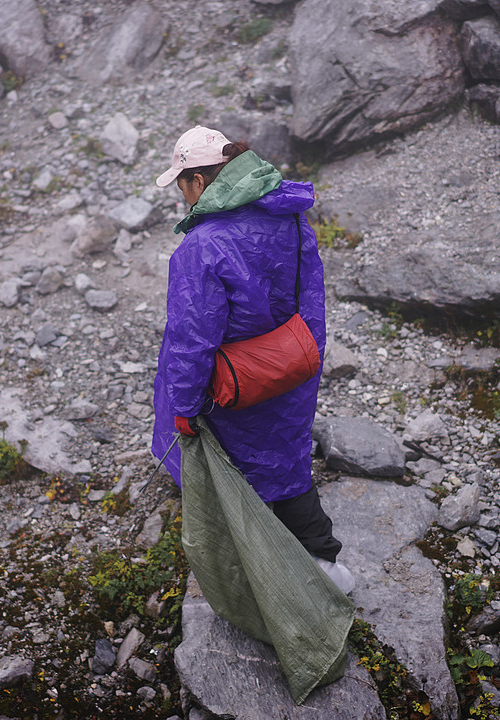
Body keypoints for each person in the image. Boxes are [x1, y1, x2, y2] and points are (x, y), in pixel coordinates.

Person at [150, 126, 353, 593]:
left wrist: (183, 407)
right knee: (286, 458)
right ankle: (326, 564)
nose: (181, 195)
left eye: (182, 183)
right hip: (291, 365)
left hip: (233, 385)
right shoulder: (289, 217)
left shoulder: (200, 248)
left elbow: (192, 341)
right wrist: (307, 358)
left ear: (199, 182)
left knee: (234, 471)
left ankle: (253, 574)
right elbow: (312, 296)